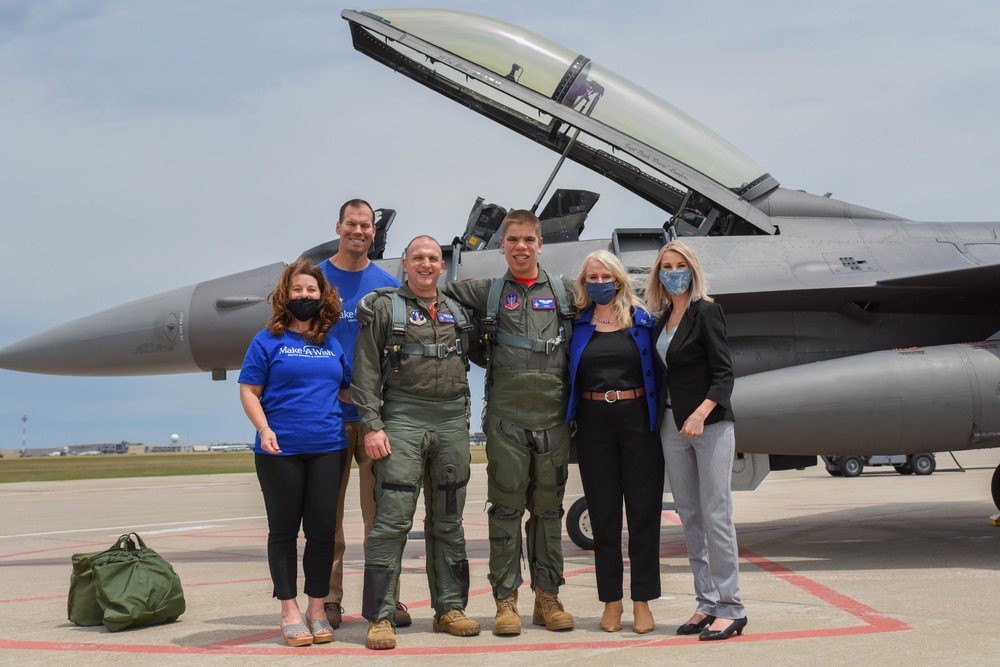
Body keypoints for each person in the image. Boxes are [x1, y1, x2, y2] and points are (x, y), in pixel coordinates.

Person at [444, 209, 576, 636]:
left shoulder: (565, 292)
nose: (521, 247)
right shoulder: (487, 292)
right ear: (502, 245)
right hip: (506, 423)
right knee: (504, 511)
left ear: (540, 245)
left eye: (528, 240)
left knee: (549, 512)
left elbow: (616, 298)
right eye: (512, 240)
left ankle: (548, 597)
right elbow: (432, 295)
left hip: (553, 421)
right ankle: (506, 601)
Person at [352, 235, 481, 650]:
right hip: (403, 417)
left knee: (449, 518)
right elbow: (367, 369)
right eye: (418, 258)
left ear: (441, 266)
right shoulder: (385, 307)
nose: (426, 264)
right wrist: (371, 424)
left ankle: (449, 609)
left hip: (451, 420)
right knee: (392, 519)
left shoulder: (457, 310)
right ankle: (380, 615)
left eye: (433, 258)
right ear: (404, 263)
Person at [238, 258, 351, 647]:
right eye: (298, 290)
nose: (305, 296)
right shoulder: (266, 340)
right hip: (280, 449)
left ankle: (317, 609)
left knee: (322, 531)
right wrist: (264, 429)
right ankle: (289, 611)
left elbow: (346, 388)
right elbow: (249, 391)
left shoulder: (330, 342)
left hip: (329, 447)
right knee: (283, 532)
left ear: (323, 297)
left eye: (312, 290)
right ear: (285, 294)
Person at [645, 240, 748, 641]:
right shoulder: (660, 319)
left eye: (680, 265)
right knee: (688, 513)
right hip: (671, 425)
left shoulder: (707, 311)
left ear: (692, 269)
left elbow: (724, 374)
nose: (673, 272)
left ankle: (732, 606)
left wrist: (700, 413)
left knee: (715, 512)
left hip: (709, 424)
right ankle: (706, 602)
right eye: (666, 266)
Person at [317, 199, 407, 629]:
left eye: (365, 225)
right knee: (327, 518)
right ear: (339, 226)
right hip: (329, 415)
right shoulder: (316, 280)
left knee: (383, 517)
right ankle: (329, 599)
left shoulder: (386, 284)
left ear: (374, 231)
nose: (358, 231)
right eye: (351, 224)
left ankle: (385, 599)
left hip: (376, 418)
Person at [567, 250, 664, 634]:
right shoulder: (576, 326)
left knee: (643, 513)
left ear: (620, 280)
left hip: (638, 419)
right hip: (593, 423)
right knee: (604, 516)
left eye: (605, 275)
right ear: (584, 283)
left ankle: (642, 601)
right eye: (592, 277)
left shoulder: (642, 322)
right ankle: (612, 601)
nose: (599, 282)